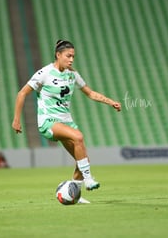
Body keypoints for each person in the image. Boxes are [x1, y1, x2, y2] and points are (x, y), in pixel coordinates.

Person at [12, 40, 121, 203]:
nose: (71, 60)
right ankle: (89, 179)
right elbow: (22, 94)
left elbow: (90, 93)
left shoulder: (72, 74)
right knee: (78, 136)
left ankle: (75, 194)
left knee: (83, 160)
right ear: (58, 55)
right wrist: (16, 120)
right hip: (48, 121)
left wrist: (110, 101)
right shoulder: (45, 73)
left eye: (73, 57)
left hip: (66, 122)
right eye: (68, 56)